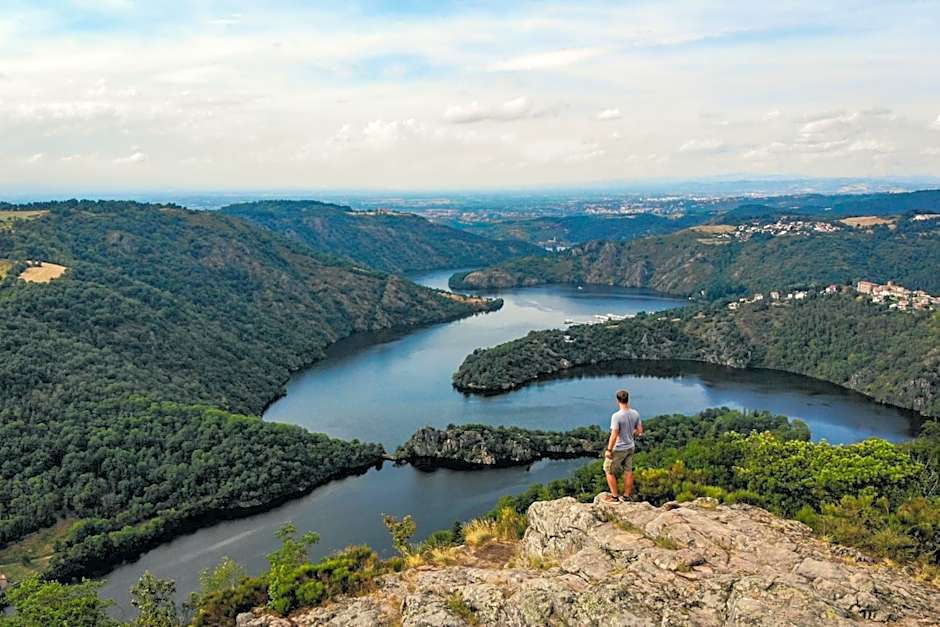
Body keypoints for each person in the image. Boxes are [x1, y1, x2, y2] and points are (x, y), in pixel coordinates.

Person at [602, 389, 643, 502]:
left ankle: (615, 497)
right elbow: (640, 432)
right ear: (628, 399)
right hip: (631, 447)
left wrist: (609, 450)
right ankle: (626, 496)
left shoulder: (616, 416)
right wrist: (630, 432)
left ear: (617, 401)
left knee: (608, 470)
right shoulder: (635, 413)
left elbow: (614, 435)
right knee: (628, 470)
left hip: (619, 448)